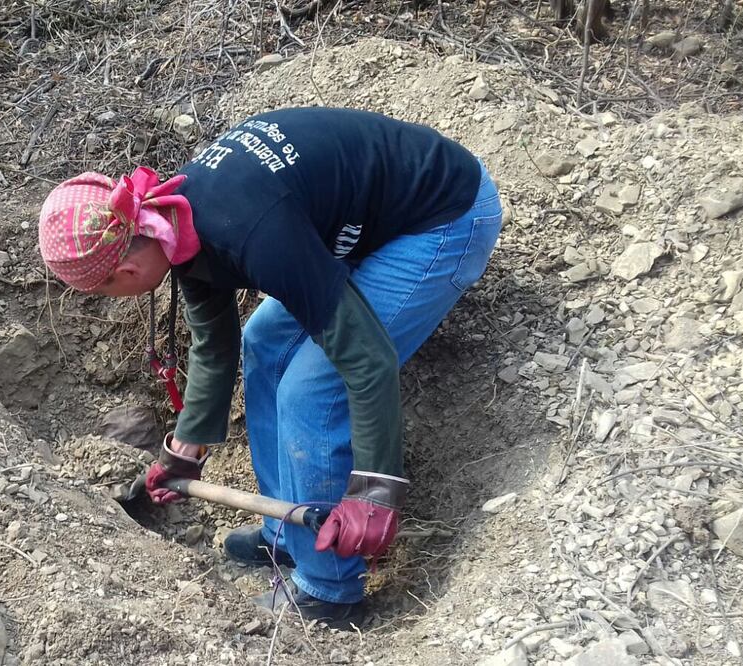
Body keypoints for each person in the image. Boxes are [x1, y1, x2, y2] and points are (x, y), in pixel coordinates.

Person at [36, 107, 502, 624]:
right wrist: (186, 448)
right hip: (361, 218)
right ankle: (288, 528)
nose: (116, 296)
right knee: (264, 341)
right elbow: (215, 343)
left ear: (124, 267)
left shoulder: (248, 227)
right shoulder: (173, 218)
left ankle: (328, 589)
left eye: (106, 287)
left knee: (310, 388)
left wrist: (376, 491)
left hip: (441, 218)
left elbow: (366, 359)